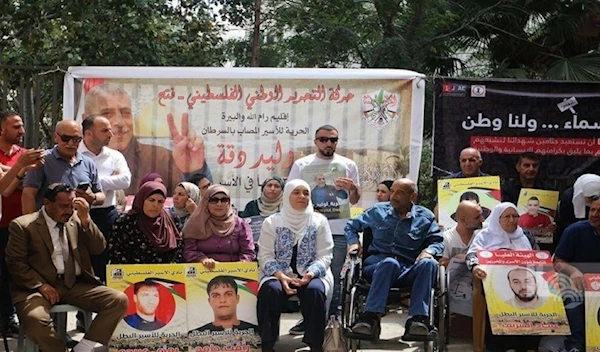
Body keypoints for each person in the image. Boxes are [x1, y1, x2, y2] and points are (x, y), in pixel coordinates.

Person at [5, 183, 128, 352]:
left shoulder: (77, 220)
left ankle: (82, 349)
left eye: (72, 206)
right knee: (35, 318)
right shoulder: (24, 226)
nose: (69, 211)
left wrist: (86, 220)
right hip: (37, 288)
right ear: (47, 203)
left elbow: (99, 248)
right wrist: (40, 285)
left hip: (73, 283)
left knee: (118, 300)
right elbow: (15, 264)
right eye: (64, 206)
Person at [346, 178, 443, 340]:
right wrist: (354, 243)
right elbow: (351, 226)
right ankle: (370, 318)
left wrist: (429, 251)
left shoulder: (425, 217)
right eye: (392, 192)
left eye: (400, 193)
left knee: (429, 263)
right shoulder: (378, 211)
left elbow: (437, 241)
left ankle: (418, 320)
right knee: (390, 263)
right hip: (378, 266)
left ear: (413, 196)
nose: (394, 196)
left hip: (409, 267)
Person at [287, 124, 360, 333]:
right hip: (308, 229)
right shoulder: (302, 165)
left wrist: (352, 189)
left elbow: (354, 200)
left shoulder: (348, 165)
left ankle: (332, 318)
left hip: (339, 229)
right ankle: (309, 318)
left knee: (336, 275)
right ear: (316, 141)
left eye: (333, 140)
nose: (329, 143)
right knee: (306, 274)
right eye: (324, 139)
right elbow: (291, 195)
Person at [83, 84, 211, 195]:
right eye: (107, 114)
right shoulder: (73, 160)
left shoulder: (161, 159)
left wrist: (193, 171)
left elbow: (200, 204)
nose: (120, 122)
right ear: (86, 120)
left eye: (125, 113)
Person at [257, 180, 334, 352]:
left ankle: (315, 344)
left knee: (315, 291)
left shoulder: (319, 221)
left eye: (306, 193)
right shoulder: (272, 222)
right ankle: (267, 343)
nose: (302, 196)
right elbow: (265, 255)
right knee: (270, 290)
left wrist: (310, 275)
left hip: (312, 274)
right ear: (286, 195)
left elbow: (325, 255)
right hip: (278, 273)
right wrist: (281, 276)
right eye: (296, 192)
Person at [467, 202, 539, 352]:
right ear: (497, 219)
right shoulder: (484, 236)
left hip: (526, 282)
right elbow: (472, 255)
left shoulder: (525, 236)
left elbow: (537, 257)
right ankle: (504, 346)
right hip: (495, 284)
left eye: (515, 216)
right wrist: (476, 267)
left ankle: (529, 346)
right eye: (507, 216)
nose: (512, 220)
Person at [0, 110, 44, 336]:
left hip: (23, 225)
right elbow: (3, 188)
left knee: (19, 273)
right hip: (1, 224)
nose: (22, 131)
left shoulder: (27, 154)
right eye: (16, 126)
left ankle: (17, 319)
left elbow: (29, 183)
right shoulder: (25, 160)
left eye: (22, 126)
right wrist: (18, 171)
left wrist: (10, 173)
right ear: (2, 129)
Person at [79, 115, 132, 282]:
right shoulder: (75, 154)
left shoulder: (114, 156)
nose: (111, 134)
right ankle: (82, 305)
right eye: (104, 130)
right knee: (79, 258)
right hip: (77, 215)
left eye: (110, 130)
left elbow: (125, 180)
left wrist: (94, 182)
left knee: (104, 259)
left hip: (107, 215)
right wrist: (110, 181)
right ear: (88, 134)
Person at [22, 120, 106, 214]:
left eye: (76, 139)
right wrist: (32, 225)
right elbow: (28, 194)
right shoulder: (42, 161)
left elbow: (101, 195)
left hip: (80, 223)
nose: (70, 143)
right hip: (49, 224)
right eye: (65, 138)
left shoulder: (88, 163)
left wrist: (92, 197)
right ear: (55, 137)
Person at [553, 195, 600, 352]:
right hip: (577, 285)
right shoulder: (575, 230)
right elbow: (557, 261)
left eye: (599, 211)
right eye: (592, 210)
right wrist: (573, 271)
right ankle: (575, 347)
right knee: (574, 300)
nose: (594, 214)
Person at [109, 181, 182, 264]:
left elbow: (178, 250)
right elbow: (116, 252)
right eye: (151, 200)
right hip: (133, 274)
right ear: (142, 200)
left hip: (166, 273)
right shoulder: (126, 221)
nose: (155, 205)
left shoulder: (171, 219)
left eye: (160, 201)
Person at [182, 185, 255, 266]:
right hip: (202, 272)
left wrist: (243, 262)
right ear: (206, 202)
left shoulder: (240, 224)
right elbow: (188, 251)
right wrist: (202, 259)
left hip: (234, 273)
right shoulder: (196, 223)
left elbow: (248, 252)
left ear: (229, 202)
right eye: (214, 200)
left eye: (224, 200)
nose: (219, 204)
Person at [189, 276, 258, 333]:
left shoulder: (256, 332)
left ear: (237, 298)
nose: (222, 300)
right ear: (209, 301)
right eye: (216, 295)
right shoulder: (195, 334)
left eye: (228, 294)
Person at [433, 147, 488, 219]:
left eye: (471, 160)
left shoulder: (490, 182)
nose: (467, 164)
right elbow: (439, 208)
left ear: (480, 162)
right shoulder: (449, 181)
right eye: (464, 160)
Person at [440, 200, 484, 267]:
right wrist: (456, 260)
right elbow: (441, 264)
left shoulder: (483, 236)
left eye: (481, 215)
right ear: (463, 219)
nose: (482, 219)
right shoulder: (446, 238)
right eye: (477, 217)